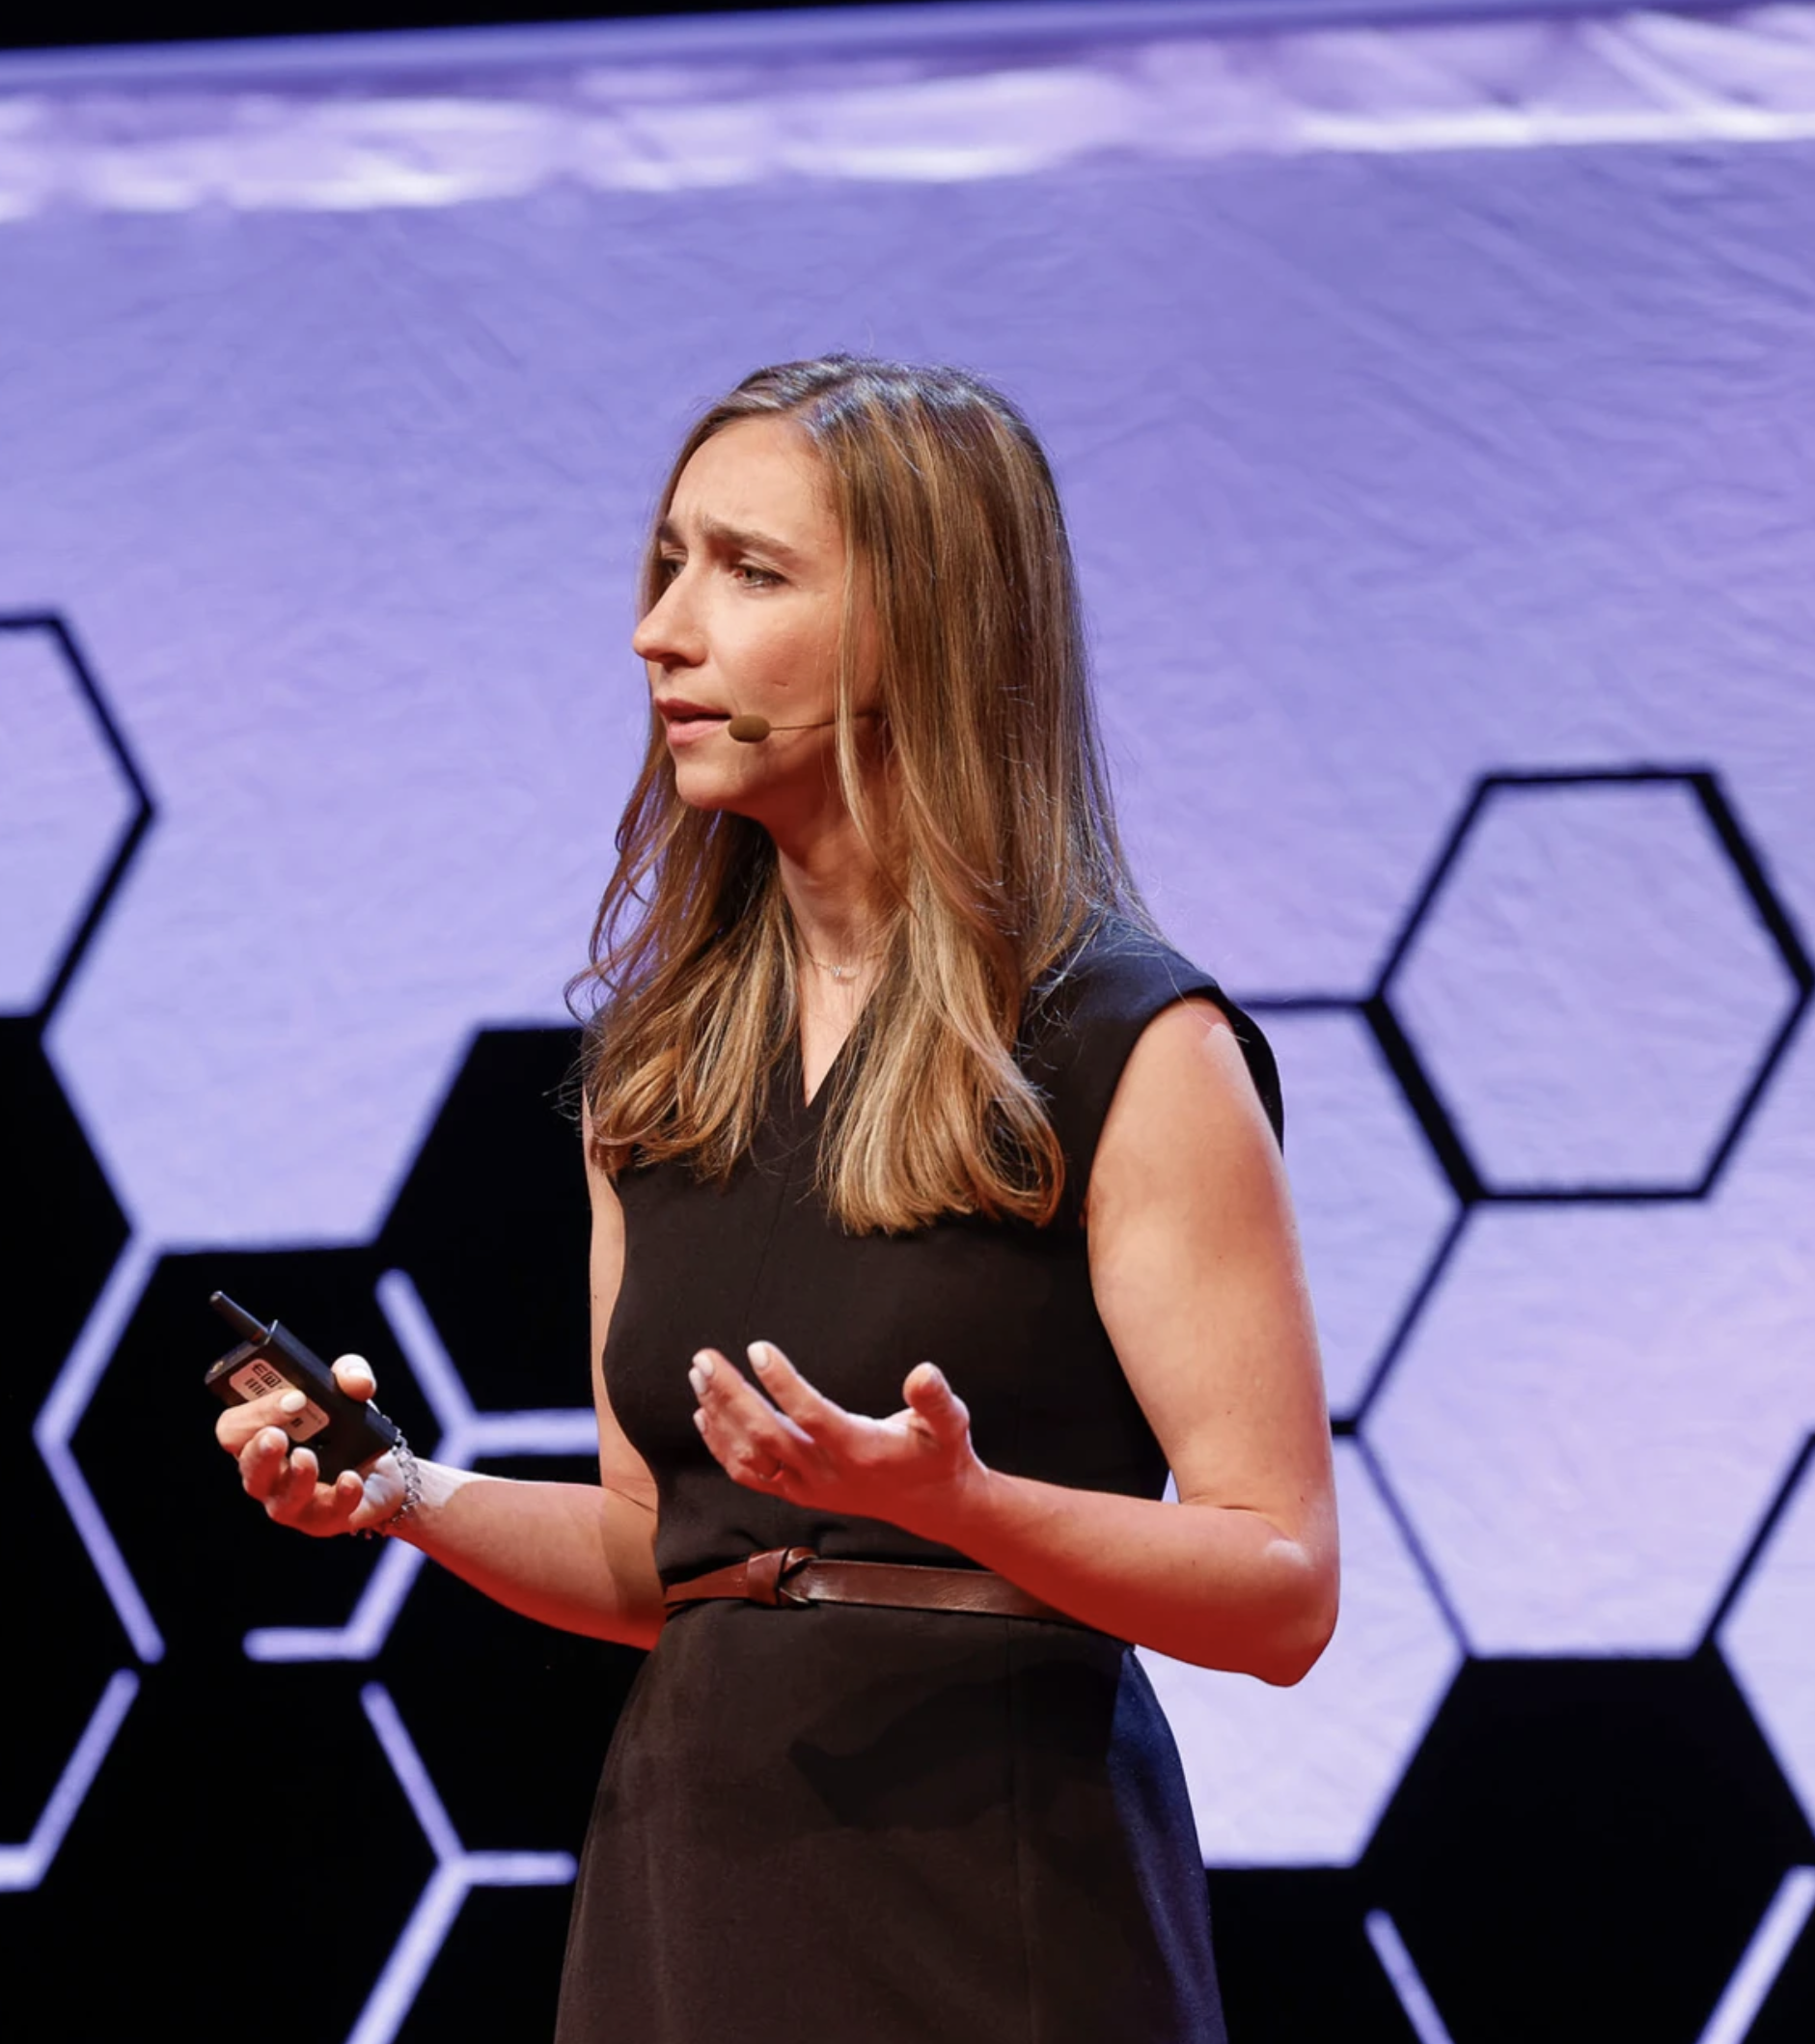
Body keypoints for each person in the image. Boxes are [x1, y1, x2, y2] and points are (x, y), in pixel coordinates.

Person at [213, 356, 1335, 2042]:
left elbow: (1283, 1586)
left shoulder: (1129, 1044)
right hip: (696, 1880)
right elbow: (656, 1555)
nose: (663, 629)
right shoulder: (654, 1075)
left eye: (748, 572)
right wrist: (403, 1492)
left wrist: (965, 1501)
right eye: (667, 564)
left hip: (999, 1893)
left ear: (928, 629)